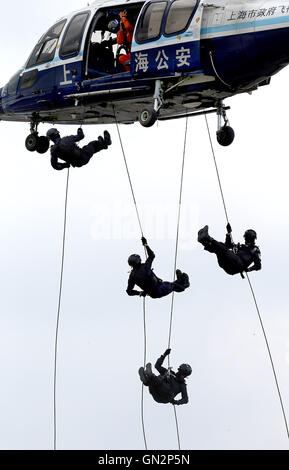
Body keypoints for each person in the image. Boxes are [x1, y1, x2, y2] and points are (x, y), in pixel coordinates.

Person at [197, 224, 261, 275]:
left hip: (238, 264)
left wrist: (249, 269)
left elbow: (258, 266)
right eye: (246, 238)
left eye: (248, 238)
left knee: (223, 248)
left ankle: (207, 237)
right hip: (228, 266)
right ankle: (204, 241)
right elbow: (228, 245)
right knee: (219, 250)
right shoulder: (240, 247)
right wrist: (228, 233)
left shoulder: (255, 250)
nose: (247, 240)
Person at [46, 128, 112, 171]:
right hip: (83, 156)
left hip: (77, 164)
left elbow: (55, 165)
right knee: (92, 145)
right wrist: (80, 131)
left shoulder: (53, 150)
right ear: (56, 134)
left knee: (90, 149)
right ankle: (106, 142)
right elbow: (81, 136)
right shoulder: (67, 138)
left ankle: (104, 145)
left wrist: (65, 165)